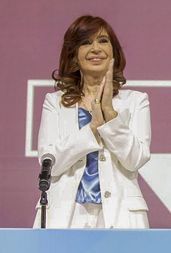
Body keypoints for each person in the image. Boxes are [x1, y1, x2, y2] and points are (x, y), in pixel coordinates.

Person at [33, 15, 151, 228]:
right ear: (74, 56)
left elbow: (135, 159)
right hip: (65, 215)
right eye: (86, 42)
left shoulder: (135, 101)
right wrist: (93, 128)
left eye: (103, 41)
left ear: (114, 52)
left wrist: (109, 116)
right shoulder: (54, 103)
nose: (96, 48)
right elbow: (51, 163)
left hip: (120, 214)